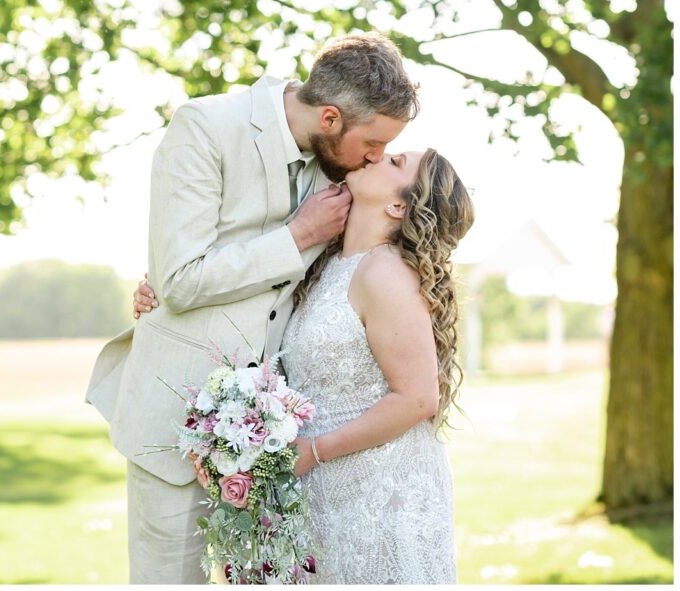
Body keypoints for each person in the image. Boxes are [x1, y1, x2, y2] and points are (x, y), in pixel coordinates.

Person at [85, 32, 420, 584]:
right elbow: (180, 278)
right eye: (374, 142)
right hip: (172, 419)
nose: (377, 158)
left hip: (279, 444)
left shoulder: (342, 168)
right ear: (331, 117)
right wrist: (297, 236)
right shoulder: (205, 127)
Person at [135, 148, 475, 584]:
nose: (379, 155)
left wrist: (312, 452)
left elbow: (417, 398)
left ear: (397, 206)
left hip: (379, 488)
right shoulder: (326, 262)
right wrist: (160, 294)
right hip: (321, 482)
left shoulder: (387, 274)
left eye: (395, 163)